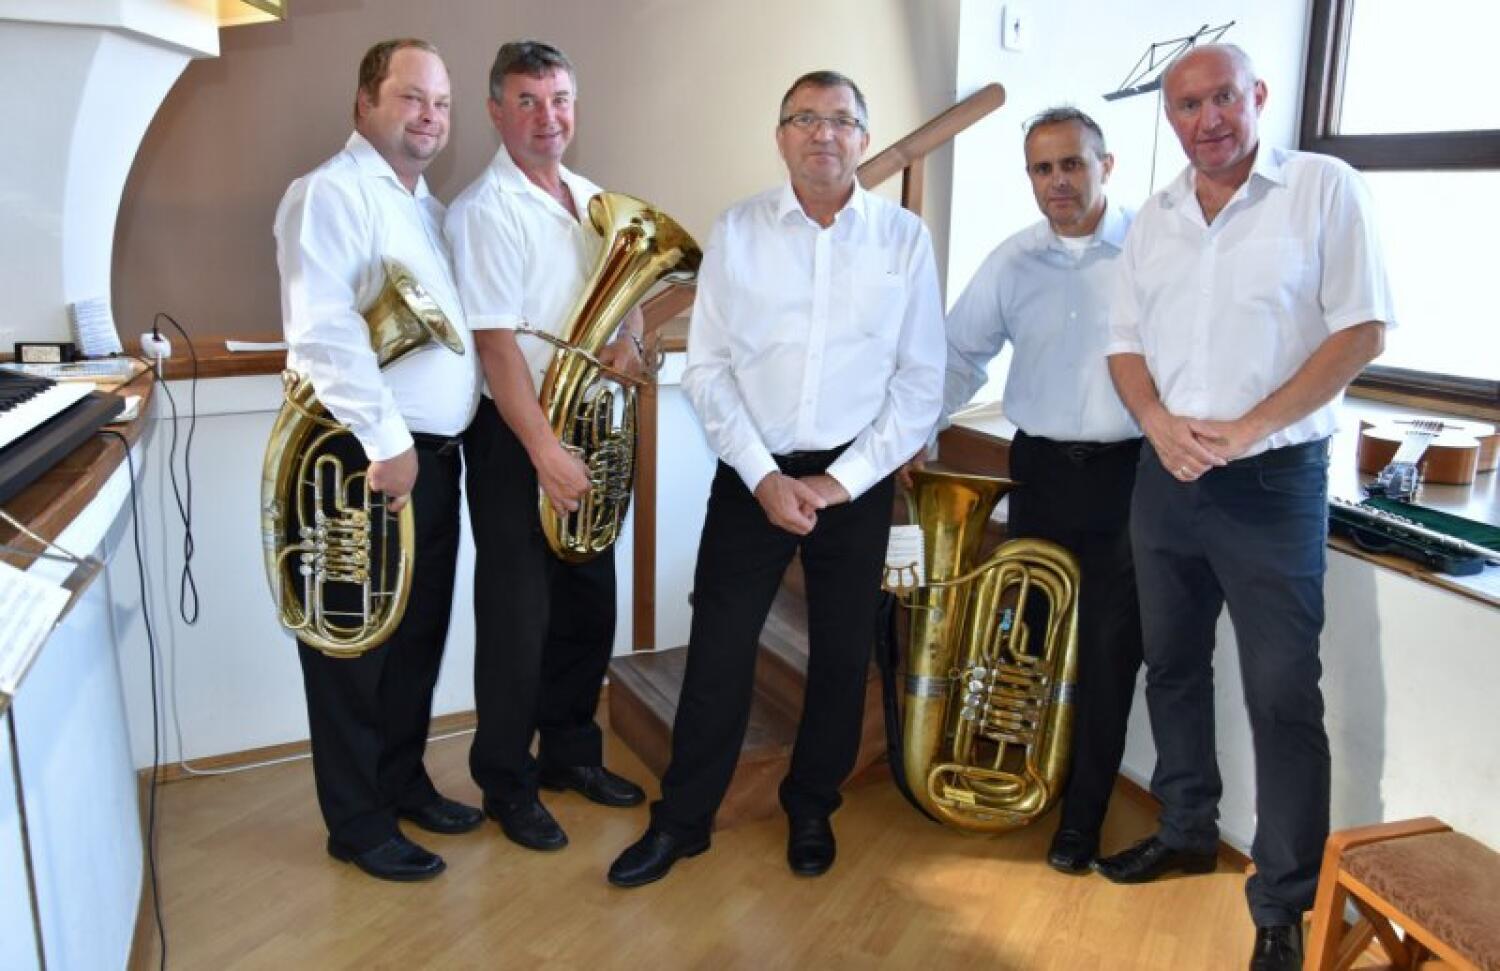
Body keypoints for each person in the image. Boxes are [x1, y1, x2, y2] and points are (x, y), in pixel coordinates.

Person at [607, 70, 946, 888]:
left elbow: (920, 382)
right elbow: (708, 369)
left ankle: (811, 805)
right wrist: (763, 477)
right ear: (781, 135)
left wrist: (840, 482)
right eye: (805, 118)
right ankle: (683, 819)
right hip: (751, 474)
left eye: (841, 120)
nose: (823, 133)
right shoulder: (738, 230)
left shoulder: (903, 240)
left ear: (864, 138)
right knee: (719, 649)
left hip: (856, 480)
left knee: (842, 654)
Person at [1094, 44, 1393, 971]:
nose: (1208, 120)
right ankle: (1186, 828)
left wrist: (1252, 426)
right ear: (1170, 117)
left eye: (1223, 97)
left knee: (1281, 694)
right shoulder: (1155, 217)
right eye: (1188, 106)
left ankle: (1284, 901)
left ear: (1256, 95)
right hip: (1165, 476)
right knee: (1173, 666)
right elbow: (1124, 343)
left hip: (1272, 484)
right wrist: (1156, 423)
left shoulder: (1323, 188)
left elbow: (1363, 329)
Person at [273, 38, 483, 882]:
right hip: (367, 458)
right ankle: (357, 824)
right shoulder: (329, 193)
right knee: (354, 651)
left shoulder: (426, 209)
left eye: (441, 103)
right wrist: (390, 444)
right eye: (412, 97)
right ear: (365, 102)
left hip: (429, 461)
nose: (430, 116)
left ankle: (400, 783)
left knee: (416, 637)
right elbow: (324, 330)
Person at [445, 40, 647, 853]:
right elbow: (497, 349)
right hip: (516, 436)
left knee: (587, 605)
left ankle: (571, 754)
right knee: (517, 618)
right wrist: (544, 453)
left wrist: (637, 343)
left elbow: (630, 299)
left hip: (591, 425)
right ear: (496, 111)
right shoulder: (483, 210)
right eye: (527, 101)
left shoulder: (594, 200)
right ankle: (506, 780)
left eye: (558, 99)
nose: (546, 117)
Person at [937, 107, 1142, 875]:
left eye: (1072, 164)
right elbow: (958, 354)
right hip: (1042, 470)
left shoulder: (1151, 250)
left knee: (1112, 651)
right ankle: (1022, 781)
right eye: (1042, 168)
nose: (1058, 181)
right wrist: (917, 433)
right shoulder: (1012, 260)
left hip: (1130, 474)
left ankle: (1082, 818)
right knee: (1027, 638)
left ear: (1105, 165)